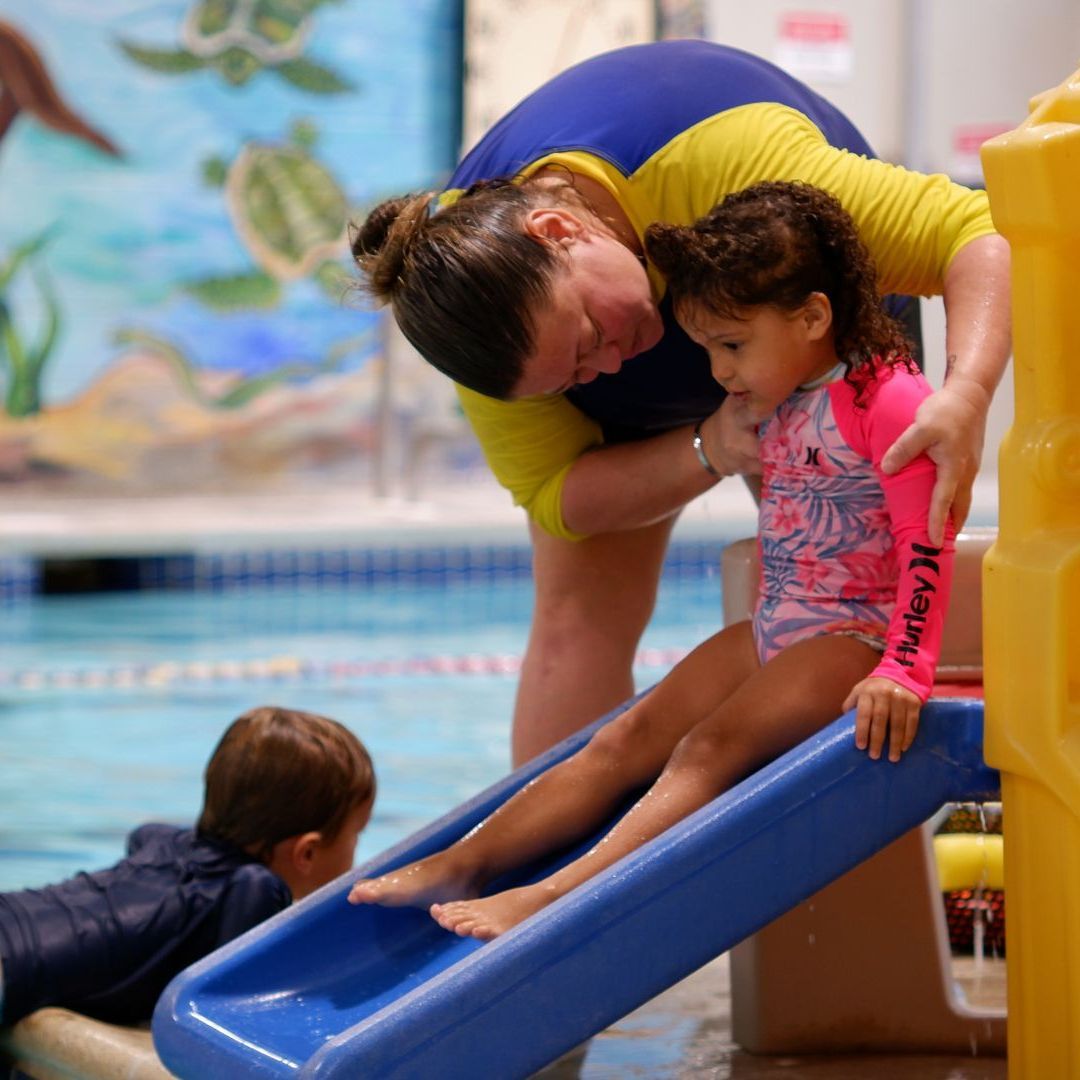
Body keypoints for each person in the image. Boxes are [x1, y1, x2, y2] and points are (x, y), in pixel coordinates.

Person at [353, 40, 1009, 766]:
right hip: (656, 339)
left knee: (848, 595)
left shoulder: (727, 158)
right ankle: (560, 864)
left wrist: (967, 395)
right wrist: (711, 445)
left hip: (796, 304)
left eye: (592, 336)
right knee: (577, 618)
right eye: (574, 378)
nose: (608, 363)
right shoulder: (473, 316)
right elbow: (555, 493)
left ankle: (876, 851)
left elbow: (976, 232)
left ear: (560, 228)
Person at [349, 180, 957, 940]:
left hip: (851, 641)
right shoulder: (778, 399)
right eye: (709, 350)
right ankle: (468, 859)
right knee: (622, 738)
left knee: (707, 750)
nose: (720, 372)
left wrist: (904, 667)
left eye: (733, 347)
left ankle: (554, 896)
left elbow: (928, 542)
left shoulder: (890, 402)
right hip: (780, 629)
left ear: (812, 315)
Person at [0, 705, 376, 1026]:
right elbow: (240, 1007)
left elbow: (142, 833)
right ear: (306, 853)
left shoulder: (164, 841)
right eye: (356, 835)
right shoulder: (255, 889)